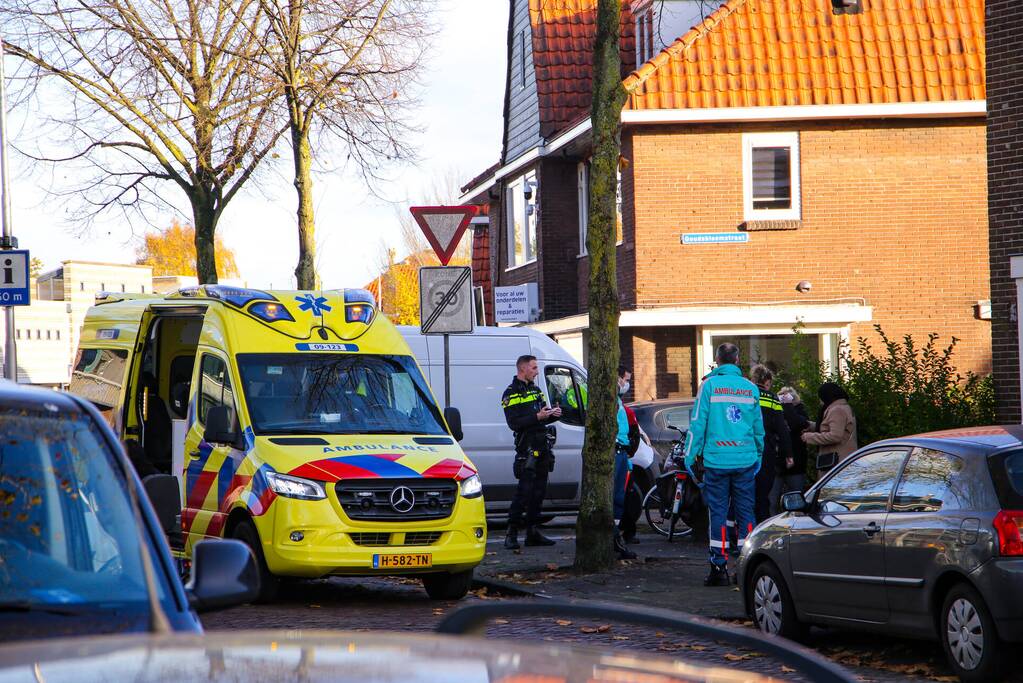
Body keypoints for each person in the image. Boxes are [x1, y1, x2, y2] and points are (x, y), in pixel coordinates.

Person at [684, 343, 764, 586]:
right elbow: (758, 428)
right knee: (745, 512)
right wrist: (758, 455)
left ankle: (719, 568)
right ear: (737, 360)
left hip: (717, 461)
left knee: (717, 513)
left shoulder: (708, 386)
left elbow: (697, 424)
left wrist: (689, 457)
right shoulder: (750, 389)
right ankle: (747, 566)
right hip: (745, 459)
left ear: (717, 361)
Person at [502, 354, 562, 550]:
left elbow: (541, 417)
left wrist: (552, 415)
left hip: (542, 446)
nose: (537, 372)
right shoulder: (510, 393)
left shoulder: (536, 390)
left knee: (539, 492)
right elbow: (514, 423)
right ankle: (511, 534)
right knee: (524, 492)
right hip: (526, 448)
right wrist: (537, 416)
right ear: (522, 369)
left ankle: (532, 533)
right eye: (534, 368)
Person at [750, 365, 791, 525]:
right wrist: (788, 454)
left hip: (745, 449)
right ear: (767, 381)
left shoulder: (746, 395)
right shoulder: (773, 398)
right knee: (763, 495)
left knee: (745, 495)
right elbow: (782, 429)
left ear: (753, 379)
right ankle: (761, 530)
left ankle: (743, 533)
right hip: (766, 452)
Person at [801, 382, 858, 476]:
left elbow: (835, 436)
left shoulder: (837, 410)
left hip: (837, 462)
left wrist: (810, 437)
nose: (820, 400)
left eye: (821, 397)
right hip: (842, 459)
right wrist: (811, 426)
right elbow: (831, 428)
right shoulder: (842, 407)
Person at [770, 386, 810, 513]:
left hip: (796, 465)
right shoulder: (774, 411)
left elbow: (796, 424)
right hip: (777, 464)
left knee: (796, 502)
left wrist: (788, 407)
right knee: (771, 501)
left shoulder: (800, 411)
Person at [612, 365, 638, 559]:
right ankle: (614, 540)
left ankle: (616, 537)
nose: (626, 384)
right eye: (625, 380)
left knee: (619, 497)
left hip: (621, 451)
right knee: (616, 498)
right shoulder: (612, 400)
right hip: (616, 451)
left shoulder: (618, 401)